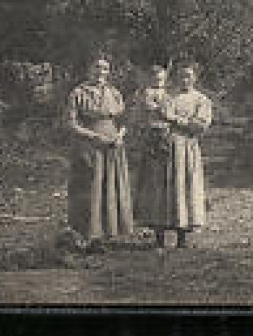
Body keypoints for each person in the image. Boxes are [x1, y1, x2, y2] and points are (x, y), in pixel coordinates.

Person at [63, 55, 133, 246]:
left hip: (113, 145)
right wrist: (93, 136)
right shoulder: (78, 93)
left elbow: (124, 121)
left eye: (104, 69)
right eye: (96, 68)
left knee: (110, 187)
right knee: (90, 187)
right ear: (89, 70)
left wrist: (120, 136)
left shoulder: (115, 93)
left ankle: (109, 233)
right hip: (88, 146)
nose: (100, 72)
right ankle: (87, 234)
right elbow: (71, 124)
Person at [159, 60, 213, 248]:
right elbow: (158, 119)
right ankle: (159, 238)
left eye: (188, 76)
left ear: (195, 78)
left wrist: (175, 119)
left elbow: (200, 126)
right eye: (181, 76)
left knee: (184, 188)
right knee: (164, 188)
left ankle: (182, 238)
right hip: (165, 147)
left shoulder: (201, 100)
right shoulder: (167, 96)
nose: (184, 80)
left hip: (187, 148)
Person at [129, 62, 174, 247]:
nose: (158, 82)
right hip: (152, 140)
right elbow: (150, 111)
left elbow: (170, 114)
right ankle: (157, 233)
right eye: (155, 79)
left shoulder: (168, 95)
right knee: (153, 185)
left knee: (168, 184)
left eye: (162, 79)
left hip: (168, 139)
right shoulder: (146, 94)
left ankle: (172, 229)